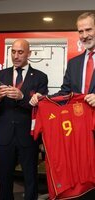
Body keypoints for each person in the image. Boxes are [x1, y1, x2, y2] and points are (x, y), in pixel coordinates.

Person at [30, 12, 95, 199]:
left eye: (88, 29)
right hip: (80, 133)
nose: (84, 35)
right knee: (84, 186)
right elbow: (64, 93)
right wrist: (43, 98)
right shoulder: (74, 63)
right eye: (80, 31)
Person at [0, 39, 48, 200]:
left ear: (29, 54)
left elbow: (41, 109)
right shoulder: (0, 75)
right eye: (13, 52)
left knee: (30, 177)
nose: (16, 56)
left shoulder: (40, 77)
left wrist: (23, 97)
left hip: (27, 136)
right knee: (5, 176)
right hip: (4, 135)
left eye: (20, 52)